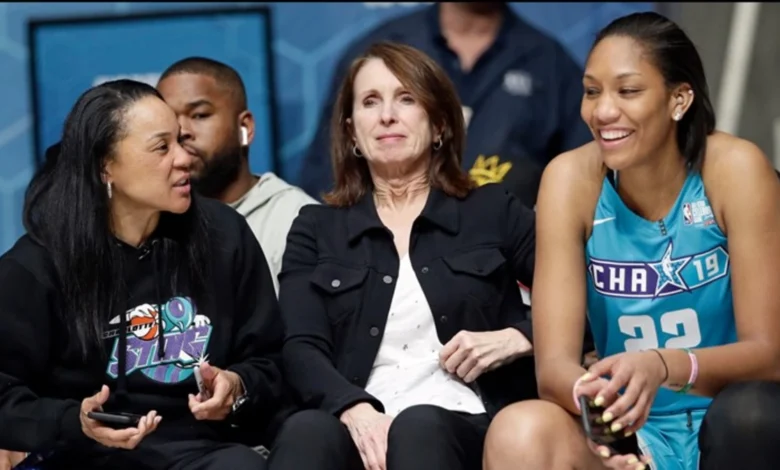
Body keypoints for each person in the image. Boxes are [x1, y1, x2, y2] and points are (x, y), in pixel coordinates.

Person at [482, 11, 780, 470]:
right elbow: (555, 370)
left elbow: (770, 355)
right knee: (519, 431)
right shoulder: (568, 180)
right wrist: (611, 435)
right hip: (632, 426)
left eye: (628, 91)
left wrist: (662, 365)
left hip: (733, 417)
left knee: (750, 415)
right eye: (592, 91)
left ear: (679, 99)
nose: (602, 111)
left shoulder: (736, 169)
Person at [267, 41, 537, 470]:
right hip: (358, 421)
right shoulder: (316, 228)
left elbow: (584, 307)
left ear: (440, 124)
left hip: (465, 423)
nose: (387, 115)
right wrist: (353, 410)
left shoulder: (492, 211)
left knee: (418, 426)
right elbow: (300, 348)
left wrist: (518, 337)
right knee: (305, 432)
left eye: (406, 99)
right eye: (370, 102)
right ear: (352, 131)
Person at [0, 79, 285, 470]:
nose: (184, 158)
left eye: (182, 141)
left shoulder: (223, 234)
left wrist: (237, 386)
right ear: (105, 166)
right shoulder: (36, 266)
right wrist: (74, 421)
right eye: (161, 147)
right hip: (84, 458)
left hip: (203, 450)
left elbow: (270, 359)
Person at [299, 2, 591, 210]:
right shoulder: (379, 49)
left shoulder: (550, 64)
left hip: (506, 265)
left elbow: (584, 182)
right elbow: (326, 172)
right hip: (381, 255)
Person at [156, 57, 317, 294]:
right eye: (169, 120)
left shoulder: (297, 219)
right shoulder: (151, 223)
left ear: (246, 128)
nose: (182, 132)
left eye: (199, 115)